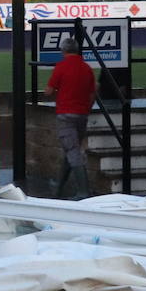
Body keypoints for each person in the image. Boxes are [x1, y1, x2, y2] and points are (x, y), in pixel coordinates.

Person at [43, 34, 96, 198]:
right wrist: (87, 108)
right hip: (82, 114)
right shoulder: (87, 68)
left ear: (63, 51)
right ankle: (58, 186)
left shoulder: (61, 67)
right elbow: (93, 92)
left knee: (72, 151)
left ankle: (83, 191)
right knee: (71, 150)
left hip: (66, 114)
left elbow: (48, 91)